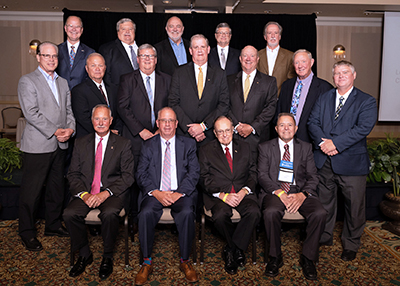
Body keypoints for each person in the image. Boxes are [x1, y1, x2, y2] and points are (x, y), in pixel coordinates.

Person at [308, 60, 377, 261]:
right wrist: (324, 145)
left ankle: (351, 243)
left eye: (345, 72)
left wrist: (335, 144)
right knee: (325, 203)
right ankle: (325, 235)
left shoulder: (366, 101)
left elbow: (362, 128)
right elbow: (312, 122)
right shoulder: (323, 98)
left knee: (354, 207)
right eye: (337, 73)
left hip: (351, 164)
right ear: (333, 77)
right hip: (324, 161)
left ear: (354, 75)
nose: (340, 76)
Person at [63, 104, 134, 279]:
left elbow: (128, 176)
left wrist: (105, 193)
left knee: (109, 214)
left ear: (111, 121)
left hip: (111, 192)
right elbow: (72, 174)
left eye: (104, 119)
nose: (100, 122)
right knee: (69, 214)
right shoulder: (80, 143)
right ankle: (85, 253)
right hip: (86, 191)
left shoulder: (123, 144)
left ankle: (107, 256)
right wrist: (85, 195)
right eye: (97, 118)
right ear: (92, 120)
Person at [17, 41, 75, 251]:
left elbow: (69, 111)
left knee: (56, 189)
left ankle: (52, 225)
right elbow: (31, 113)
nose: (51, 59)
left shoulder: (63, 82)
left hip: (60, 145)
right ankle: (27, 232)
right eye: (47, 55)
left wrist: (70, 129)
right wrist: (55, 131)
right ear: (38, 57)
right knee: (31, 193)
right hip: (37, 146)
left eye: (55, 56)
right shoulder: (27, 81)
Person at [135, 107, 200, 285]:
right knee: (146, 213)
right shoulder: (148, 145)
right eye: (163, 120)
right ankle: (146, 261)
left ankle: (185, 261)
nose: (167, 125)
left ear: (176, 123)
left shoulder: (188, 144)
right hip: (156, 192)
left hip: (180, 193)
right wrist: (156, 193)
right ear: (157, 123)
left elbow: (194, 173)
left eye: (171, 121)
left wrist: (179, 193)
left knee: (187, 213)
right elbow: (141, 173)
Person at [258, 113, 326, 280]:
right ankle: (275, 257)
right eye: (282, 125)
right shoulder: (265, 147)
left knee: (320, 213)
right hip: (275, 190)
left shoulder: (305, 147)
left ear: (296, 129)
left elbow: (313, 176)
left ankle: (308, 258)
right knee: (271, 212)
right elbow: (262, 175)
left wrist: (303, 195)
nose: (286, 128)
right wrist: (280, 192)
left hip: (300, 189)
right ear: (276, 129)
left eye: (289, 125)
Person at [118, 43, 171, 238]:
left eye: (151, 56)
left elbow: (171, 105)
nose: (147, 60)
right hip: (135, 139)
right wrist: (141, 131)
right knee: (133, 180)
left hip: (161, 138)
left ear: (156, 60)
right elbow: (123, 107)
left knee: (158, 176)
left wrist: (159, 130)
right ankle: (134, 219)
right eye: (143, 56)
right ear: (137, 59)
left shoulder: (167, 79)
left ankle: (157, 215)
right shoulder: (127, 79)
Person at [199, 116, 260, 275]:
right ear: (214, 133)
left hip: (242, 193)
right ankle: (238, 249)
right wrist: (222, 196)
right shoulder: (206, 150)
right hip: (219, 195)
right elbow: (204, 178)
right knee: (219, 215)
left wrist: (244, 191)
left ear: (233, 130)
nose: (225, 135)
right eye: (220, 131)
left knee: (254, 212)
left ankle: (231, 248)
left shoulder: (246, 147)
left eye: (227, 130)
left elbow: (253, 173)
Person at [169, 34, 229, 145]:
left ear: (208, 49)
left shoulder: (219, 73)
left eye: (203, 47)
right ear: (190, 51)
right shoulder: (179, 72)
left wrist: (203, 126)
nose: (200, 50)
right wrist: (191, 129)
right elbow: (173, 102)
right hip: (184, 135)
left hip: (210, 135)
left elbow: (224, 104)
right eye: (196, 47)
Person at [227, 45, 277, 160]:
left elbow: (270, 108)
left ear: (258, 59)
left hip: (258, 140)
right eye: (245, 55)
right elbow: (225, 104)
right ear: (240, 58)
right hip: (233, 137)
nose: (248, 58)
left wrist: (252, 127)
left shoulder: (269, 81)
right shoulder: (228, 80)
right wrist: (237, 125)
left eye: (252, 55)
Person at [277, 49, 333, 143]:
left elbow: (328, 121)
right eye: (297, 62)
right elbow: (279, 112)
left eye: (304, 61)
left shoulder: (325, 88)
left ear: (311, 62)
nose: (300, 66)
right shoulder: (286, 85)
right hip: (286, 141)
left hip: (311, 142)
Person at [71, 53, 121, 138]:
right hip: (89, 139)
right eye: (93, 65)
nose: (97, 69)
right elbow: (83, 118)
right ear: (87, 68)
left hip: (114, 139)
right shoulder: (79, 90)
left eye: (100, 65)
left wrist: (116, 131)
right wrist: (106, 132)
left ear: (105, 68)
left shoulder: (113, 88)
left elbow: (118, 113)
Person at [56, 16, 95, 90]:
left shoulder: (90, 52)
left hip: (82, 95)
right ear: (65, 28)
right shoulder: (56, 50)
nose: (74, 29)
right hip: (60, 94)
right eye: (71, 26)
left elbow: (91, 77)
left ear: (82, 30)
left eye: (77, 26)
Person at [257, 21, 295, 94]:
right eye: (269, 33)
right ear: (265, 37)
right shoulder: (257, 55)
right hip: (261, 100)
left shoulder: (290, 56)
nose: (273, 35)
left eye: (276, 33)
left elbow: (291, 81)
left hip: (281, 99)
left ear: (280, 37)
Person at [99, 18, 139, 87]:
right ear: (118, 32)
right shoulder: (107, 49)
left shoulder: (144, 49)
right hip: (119, 94)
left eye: (130, 29)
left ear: (134, 31)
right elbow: (105, 76)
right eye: (123, 29)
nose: (127, 31)